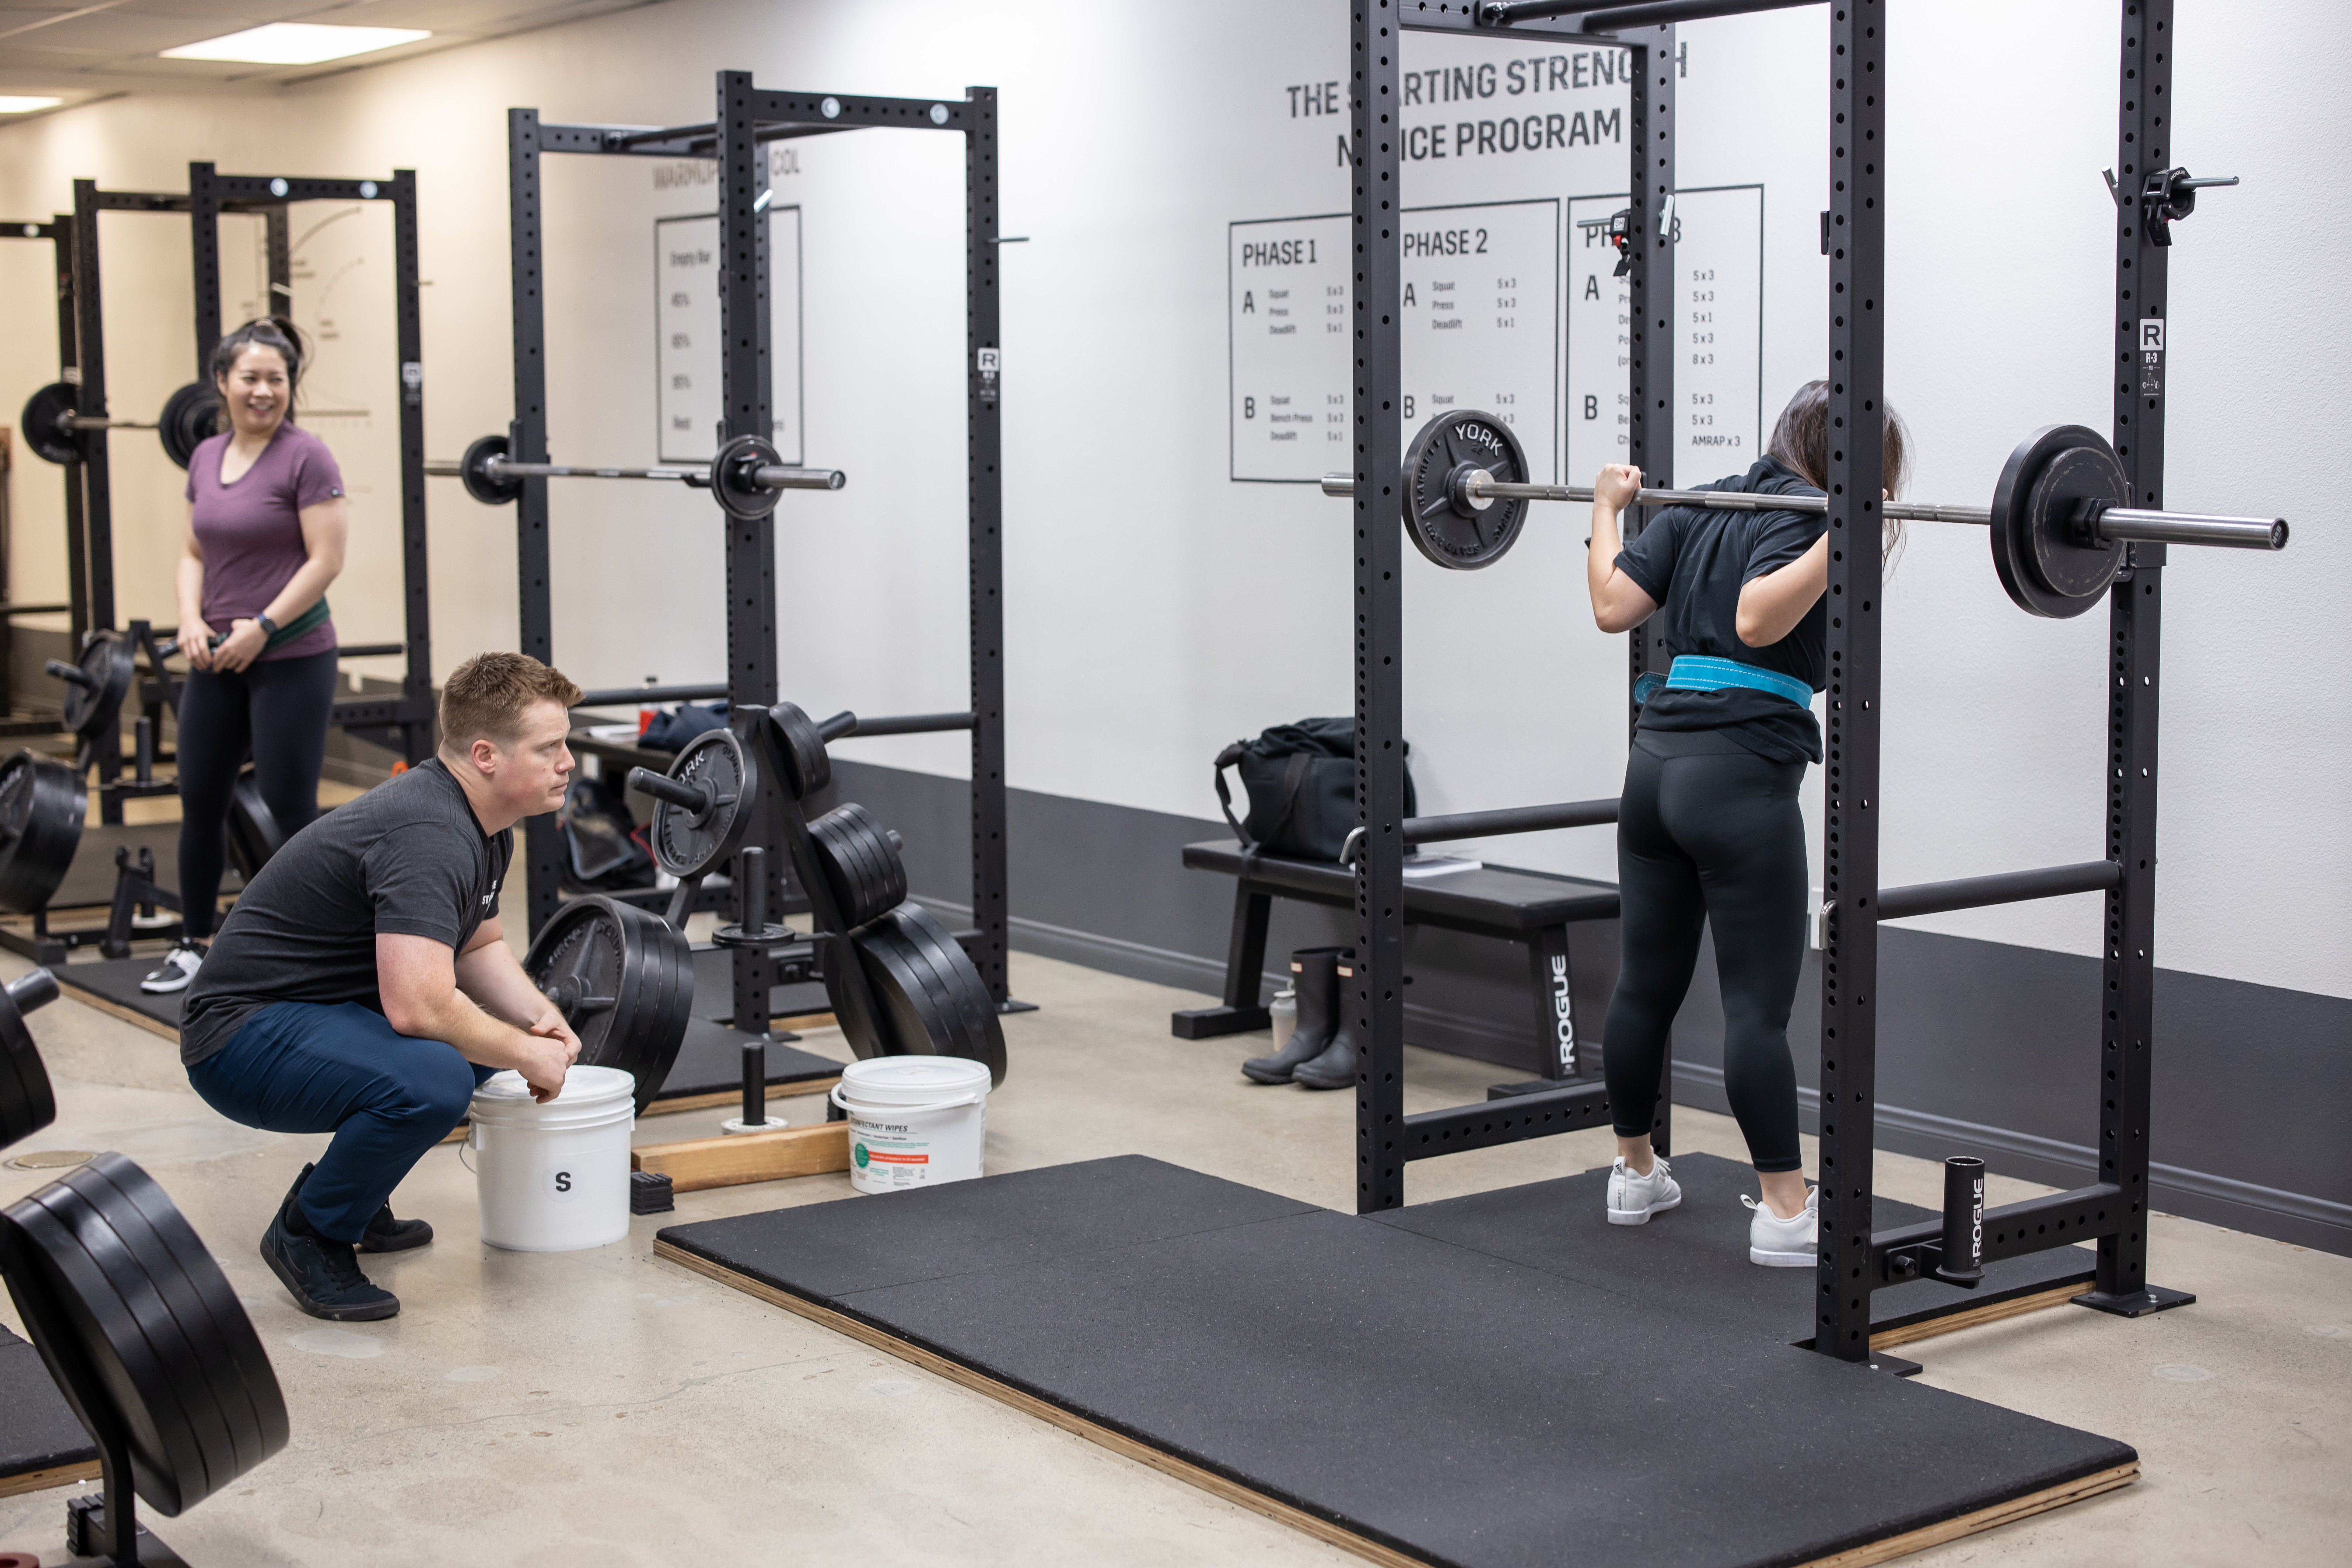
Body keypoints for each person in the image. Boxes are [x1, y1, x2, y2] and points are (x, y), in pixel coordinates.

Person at [1582, 380, 1908, 1266]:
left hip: (1653, 772)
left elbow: (1612, 603)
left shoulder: (1705, 501)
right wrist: (1852, 522)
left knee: (1644, 984)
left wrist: (1608, 509)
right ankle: (1785, 1211)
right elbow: (1759, 619)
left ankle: (1635, 1172)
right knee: (1756, 1010)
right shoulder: (1813, 512)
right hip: (1739, 782)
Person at [179, 652, 587, 1321]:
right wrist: (522, 1051)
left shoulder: (482, 823)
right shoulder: (431, 833)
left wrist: (541, 1020)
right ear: (485, 755)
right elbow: (419, 1003)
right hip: (238, 1041)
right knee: (436, 1079)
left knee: (476, 1051)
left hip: (311, 1013)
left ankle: (358, 1198)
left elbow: (478, 944)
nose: (568, 761)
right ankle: (310, 1234)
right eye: (550, 748)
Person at [144, 318, 348, 995]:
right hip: (216, 659)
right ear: (223, 383)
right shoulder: (205, 456)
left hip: (291, 652)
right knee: (199, 799)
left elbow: (326, 561)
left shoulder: (307, 458)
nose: (264, 391)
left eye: (277, 379)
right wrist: (189, 620)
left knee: (291, 805)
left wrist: (262, 625)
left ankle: (312, 948)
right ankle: (194, 943)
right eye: (251, 378)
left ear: (291, 386)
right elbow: (193, 551)